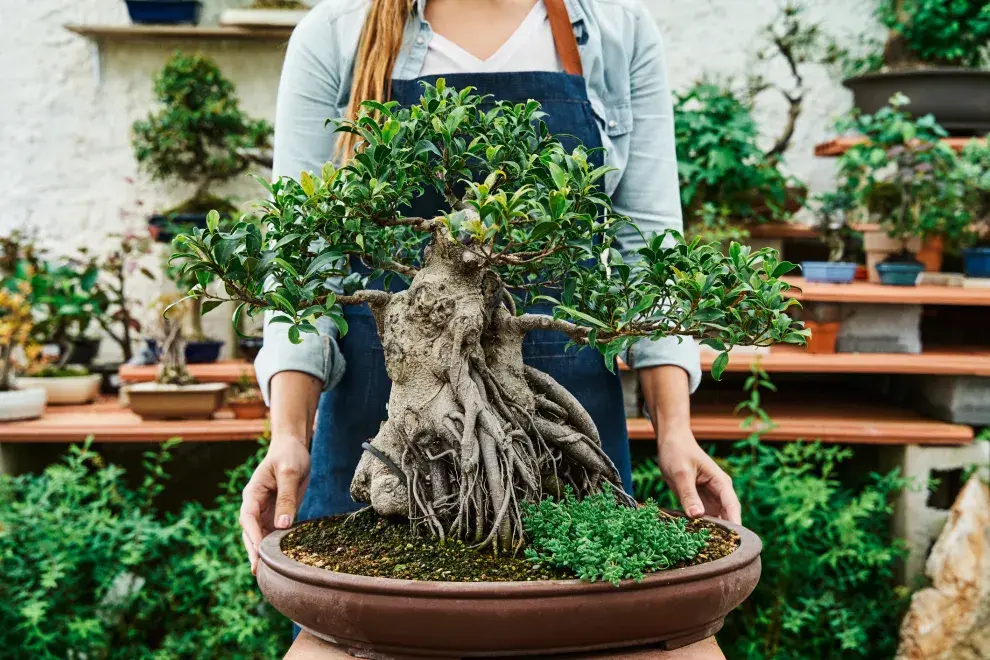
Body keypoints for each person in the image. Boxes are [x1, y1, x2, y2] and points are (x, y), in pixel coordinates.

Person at [244, 0, 740, 612]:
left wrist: (675, 430)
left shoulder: (615, 32)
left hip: (549, 426)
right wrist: (289, 434)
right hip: (393, 414)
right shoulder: (336, 33)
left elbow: (649, 245)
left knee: (578, 619)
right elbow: (301, 257)